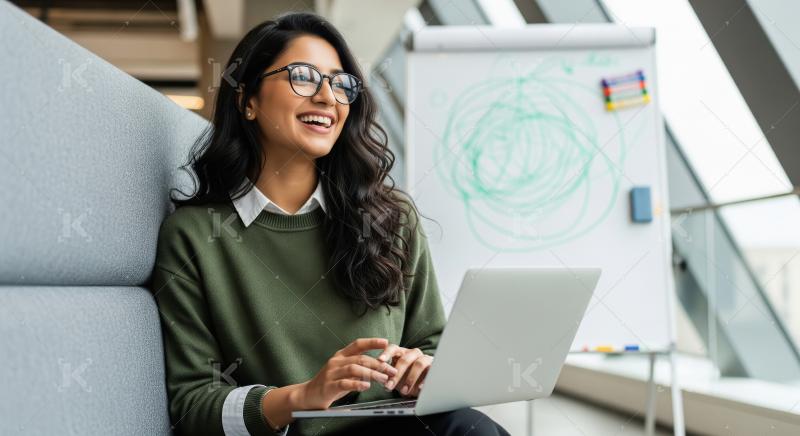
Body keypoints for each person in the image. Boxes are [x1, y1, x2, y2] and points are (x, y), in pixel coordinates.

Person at [150, 11, 510, 436]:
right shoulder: (194, 236)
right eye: (303, 77)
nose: (327, 97)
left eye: (341, 84)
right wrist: (300, 397)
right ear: (247, 100)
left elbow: (430, 343)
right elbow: (193, 403)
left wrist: (425, 368)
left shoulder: (392, 217)